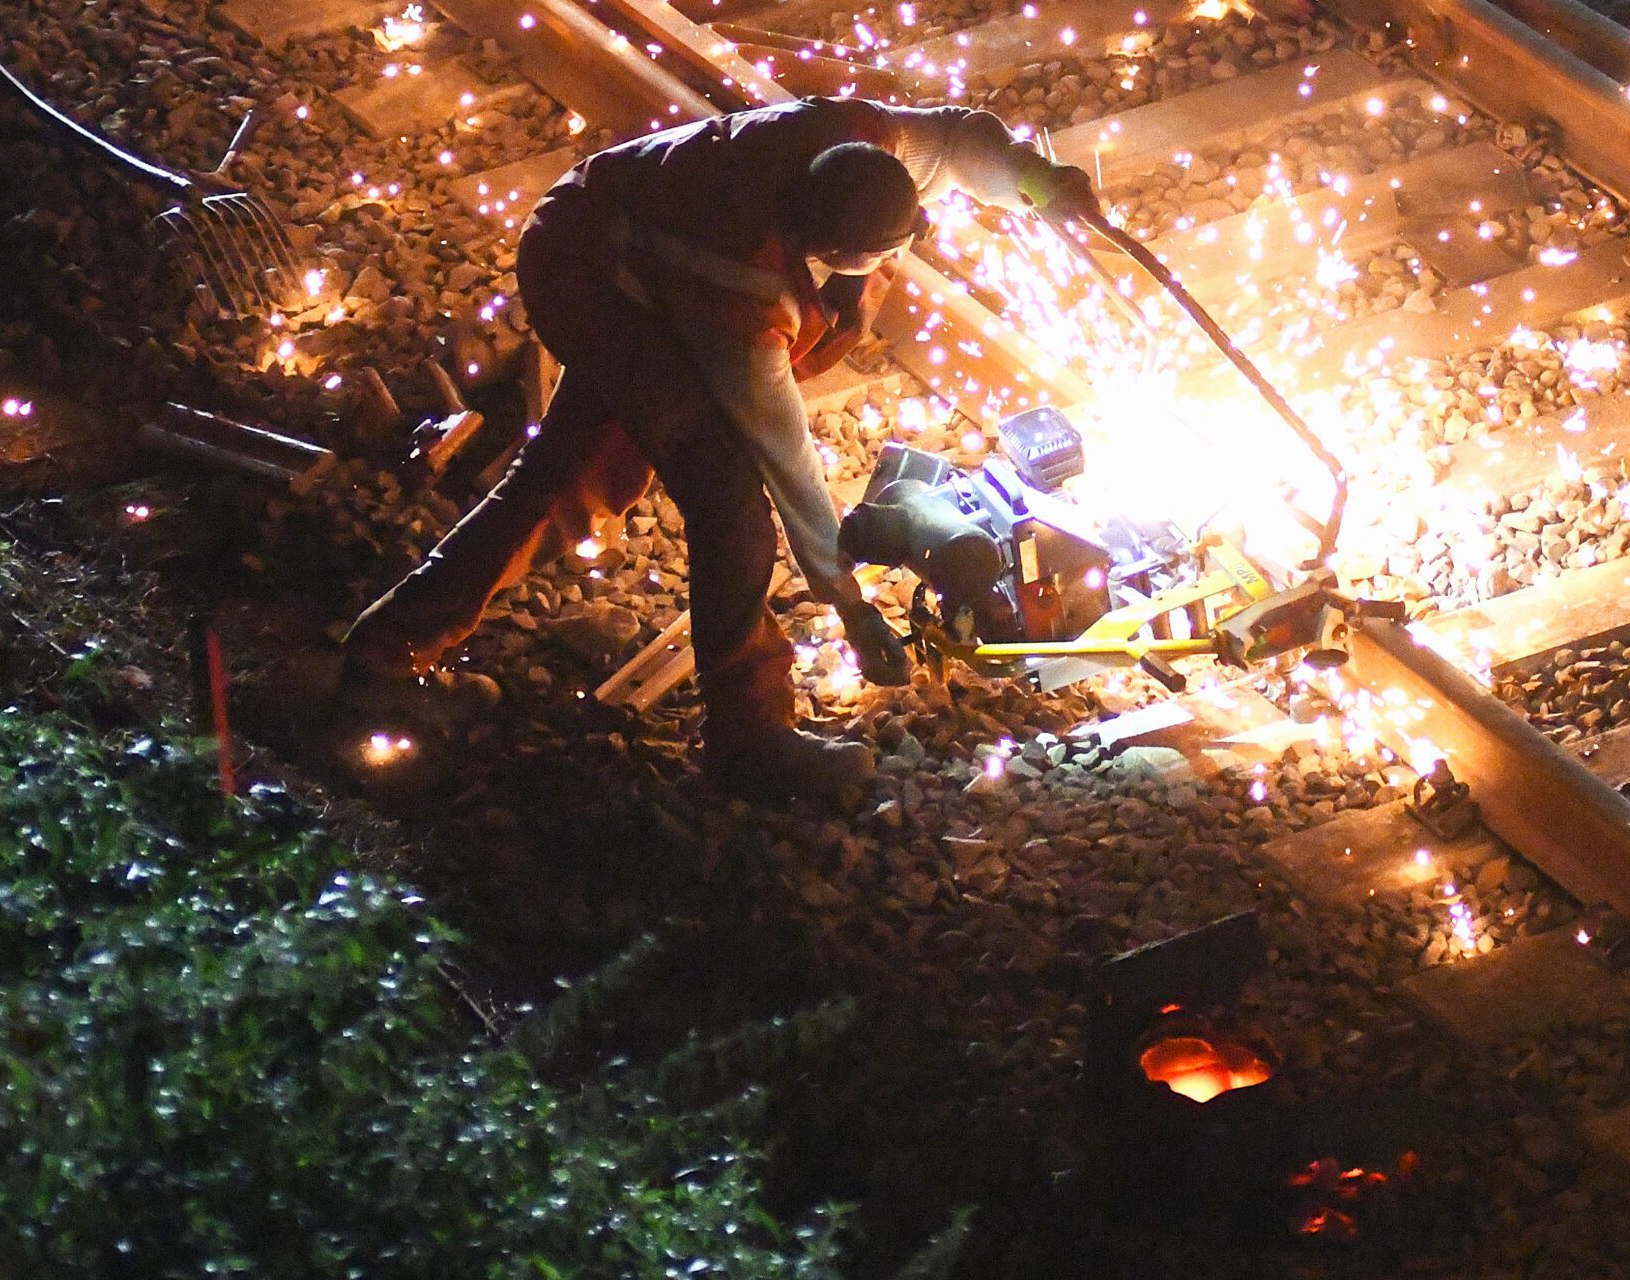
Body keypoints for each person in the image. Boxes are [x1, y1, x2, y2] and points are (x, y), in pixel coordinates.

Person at [336, 96, 1102, 799]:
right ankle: (750, 736)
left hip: (624, 221)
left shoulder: (864, 137)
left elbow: (965, 137)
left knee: (571, 474)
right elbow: (785, 456)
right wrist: (850, 605)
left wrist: (1041, 182)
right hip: (591, 273)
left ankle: (387, 649)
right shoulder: (745, 292)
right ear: (824, 244)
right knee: (724, 499)